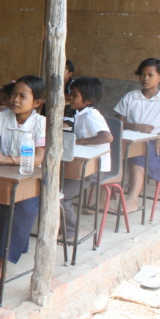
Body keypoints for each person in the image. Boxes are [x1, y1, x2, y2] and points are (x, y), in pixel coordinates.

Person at [0, 75, 46, 282]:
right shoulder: (2, 117)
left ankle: (0, 263)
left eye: (23, 96)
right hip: (3, 175)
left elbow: (39, 158)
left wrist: (8, 159)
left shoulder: (39, 123)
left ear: (36, 103)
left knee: (19, 210)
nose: (15, 99)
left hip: (29, 180)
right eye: (14, 94)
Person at [114, 58, 160, 212]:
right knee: (110, 155)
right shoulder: (131, 96)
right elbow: (119, 121)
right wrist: (135, 126)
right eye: (142, 75)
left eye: (150, 75)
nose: (145, 78)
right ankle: (104, 196)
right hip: (128, 139)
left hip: (153, 143)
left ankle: (132, 198)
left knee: (137, 158)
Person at [61, 76, 112, 241]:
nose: (71, 98)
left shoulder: (91, 115)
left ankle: (71, 232)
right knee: (57, 189)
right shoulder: (81, 114)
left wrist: (79, 141)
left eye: (75, 95)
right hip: (83, 165)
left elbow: (107, 137)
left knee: (61, 196)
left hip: (94, 169)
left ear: (88, 100)